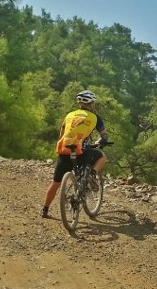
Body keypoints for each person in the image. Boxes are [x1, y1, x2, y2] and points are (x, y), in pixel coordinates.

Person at [40, 90, 109, 218]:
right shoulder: (95, 117)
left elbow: (61, 134)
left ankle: (45, 209)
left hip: (64, 152)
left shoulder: (70, 115)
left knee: (55, 183)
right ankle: (92, 175)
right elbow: (104, 136)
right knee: (102, 156)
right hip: (81, 152)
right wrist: (102, 141)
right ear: (92, 104)